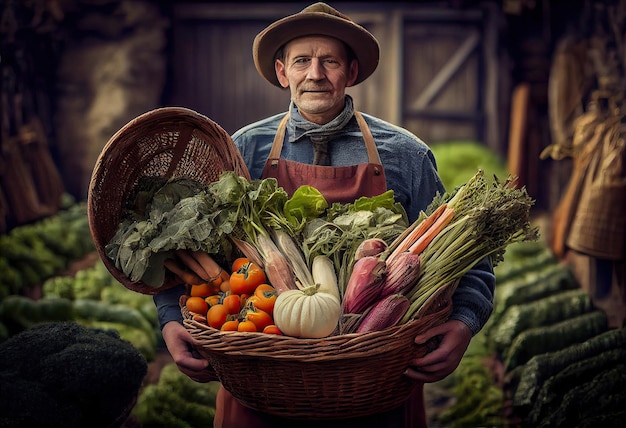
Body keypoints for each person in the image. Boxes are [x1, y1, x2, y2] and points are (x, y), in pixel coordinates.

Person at [154, 2, 495, 427]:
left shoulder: (405, 154)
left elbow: (468, 257)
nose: (315, 73)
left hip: (375, 383)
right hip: (260, 373)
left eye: (329, 61)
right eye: (302, 61)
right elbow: (184, 250)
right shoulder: (243, 149)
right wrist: (171, 320)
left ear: (350, 72)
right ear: (283, 73)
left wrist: (465, 321)